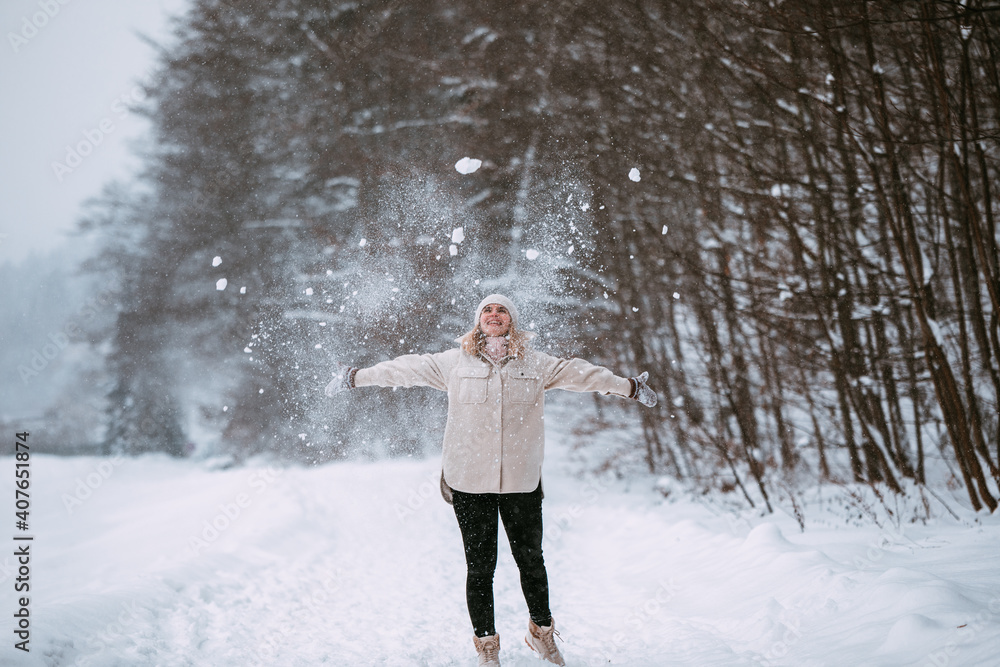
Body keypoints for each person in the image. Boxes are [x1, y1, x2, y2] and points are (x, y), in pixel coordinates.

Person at [326, 294, 656, 666]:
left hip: (521, 481)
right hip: (469, 482)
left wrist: (628, 386)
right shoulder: (452, 363)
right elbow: (403, 369)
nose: (494, 314)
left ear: (511, 321)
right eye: (488, 309)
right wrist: (356, 377)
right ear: (478, 320)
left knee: (531, 560)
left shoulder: (536, 364)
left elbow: (583, 374)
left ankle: (541, 633)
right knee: (481, 567)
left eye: (501, 310)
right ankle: (487, 646)